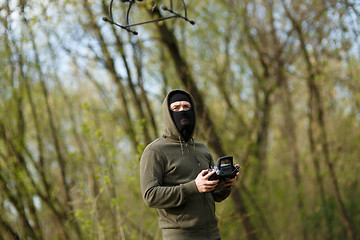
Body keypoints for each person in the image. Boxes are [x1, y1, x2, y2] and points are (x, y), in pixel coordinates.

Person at [140, 89, 238, 240]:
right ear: (168, 114)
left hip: (213, 234)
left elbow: (215, 196)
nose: (182, 111)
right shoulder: (155, 151)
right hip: (181, 236)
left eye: (186, 107)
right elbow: (150, 195)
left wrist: (226, 184)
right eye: (176, 108)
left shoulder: (202, 149)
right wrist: (193, 187)